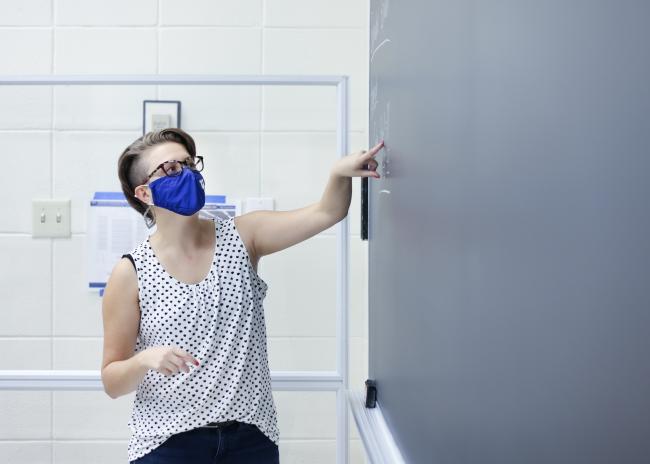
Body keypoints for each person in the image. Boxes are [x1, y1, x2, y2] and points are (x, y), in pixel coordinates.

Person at [100, 127, 384, 463]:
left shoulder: (243, 236)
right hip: (167, 445)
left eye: (190, 164)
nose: (188, 173)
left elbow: (326, 212)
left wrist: (338, 173)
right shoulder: (131, 273)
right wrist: (144, 359)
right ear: (145, 193)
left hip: (250, 441)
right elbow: (112, 380)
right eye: (172, 169)